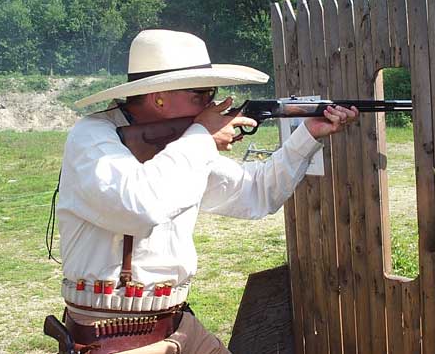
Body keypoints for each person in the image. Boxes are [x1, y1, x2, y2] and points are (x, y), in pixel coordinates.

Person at [54, 29, 358, 354]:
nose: (211, 103)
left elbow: (256, 192)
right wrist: (201, 136)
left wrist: (308, 135)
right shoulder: (93, 136)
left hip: (177, 322)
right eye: (201, 93)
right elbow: (138, 206)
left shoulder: (182, 146)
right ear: (159, 96)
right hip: (112, 334)